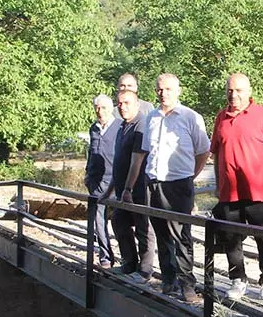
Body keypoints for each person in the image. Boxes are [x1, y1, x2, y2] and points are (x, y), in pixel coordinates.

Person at [123, 74, 211, 304]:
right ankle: (169, 279)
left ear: (178, 90)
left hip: (179, 183)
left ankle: (187, 285)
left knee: (181, 235)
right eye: (160, 89)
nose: (164, 93)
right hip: (153, 183)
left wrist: (191, 176)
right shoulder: (151, 118)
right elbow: (144, 154)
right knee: (161, 233)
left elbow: (203, 151)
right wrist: (131, 186)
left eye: (168, 89)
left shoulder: (191, 117)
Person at [211, 73, 263, 301]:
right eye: (230, 90)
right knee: (231, 237)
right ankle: (237, 278)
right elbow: (216, 152)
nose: (234, 95)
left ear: (249, 92)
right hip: (229, 191)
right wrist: (218, 185)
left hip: (258, 190)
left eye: (239, 90)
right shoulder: (221, 118)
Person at [106, 86, 156, 283]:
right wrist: (110, 191)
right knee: (119, 222)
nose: (122, 107)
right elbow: (119, 163)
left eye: (127, 103)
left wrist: (128, 189)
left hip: (138, 189)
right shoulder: (121, 127)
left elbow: (137, 161)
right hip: (122, 190)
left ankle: (145, 271)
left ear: (137, 104)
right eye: (119, 103)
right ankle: (129, 263)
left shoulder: (140, 125)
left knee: (144, 228)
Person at [85, 94, 120, 268]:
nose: (100, 111)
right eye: (97, 108)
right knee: (98, 221)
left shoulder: (119, 127)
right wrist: (87, 174)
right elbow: (91, 152)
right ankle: (105, 256)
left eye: (104, 108)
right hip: (96, 182)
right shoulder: (94, 128)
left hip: (115, 181)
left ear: (111, 108)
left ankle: (129, 260)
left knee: (120, 221)